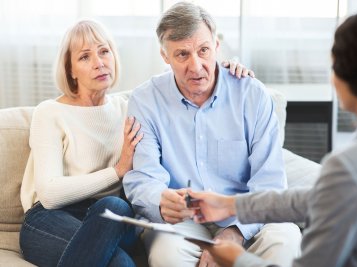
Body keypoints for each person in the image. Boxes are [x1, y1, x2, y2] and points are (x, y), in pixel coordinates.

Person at [187, 7, 357, 267]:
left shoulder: (350, 166)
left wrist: (237, 260)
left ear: (349, 77)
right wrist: (232, 204)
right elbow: (322, 198)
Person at [123, 2, 302, 267]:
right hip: (184, 221)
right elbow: (143, 178)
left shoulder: (251, 94)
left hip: (246, 214)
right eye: (182, 54)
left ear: (216, 46)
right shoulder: (145, 101)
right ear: (165, 56)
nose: (196, 66)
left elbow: (270, 181)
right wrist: (160, 201)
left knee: (287, 239)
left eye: (203, 50)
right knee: (166, 255)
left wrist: (236, 232)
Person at [19, 19, 143, 267]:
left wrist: (226, 72)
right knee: (121, 264)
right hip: (51, 218)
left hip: (112, 219)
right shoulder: (50, 113)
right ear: (70, 70)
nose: (99, 63)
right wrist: (117, 171)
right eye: (85, 57)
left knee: (114, 206)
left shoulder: (128, 108)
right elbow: (50, 194)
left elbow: (177, 89)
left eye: (104, 51)